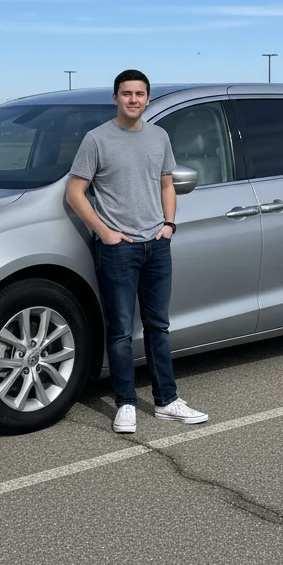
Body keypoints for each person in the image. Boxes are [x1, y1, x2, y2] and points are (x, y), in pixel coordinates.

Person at [66, 69, 208, 434]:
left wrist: (169, 225)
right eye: (126, 93)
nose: (133, 100)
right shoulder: (96, 140)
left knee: (159, 326)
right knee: (120, 331)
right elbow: (75, 192)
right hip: (118, 250)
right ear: (115, 98)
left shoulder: (159, 136)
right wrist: (105, 233)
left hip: (156, 246)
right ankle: (126, 403)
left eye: (139, 94)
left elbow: (166, 183)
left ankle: (166, 401)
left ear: (147, 98)